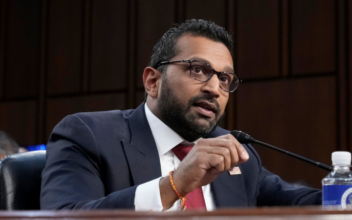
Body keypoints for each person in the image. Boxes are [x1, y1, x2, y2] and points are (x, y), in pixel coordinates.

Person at [40, 19, 321, 211]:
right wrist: (174, 184)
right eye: (198, 69)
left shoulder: (235, 154)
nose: (214, 88)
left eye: (225, 79)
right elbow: (65, 215)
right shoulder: (89, 135)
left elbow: (297, 202)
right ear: (153, 81)